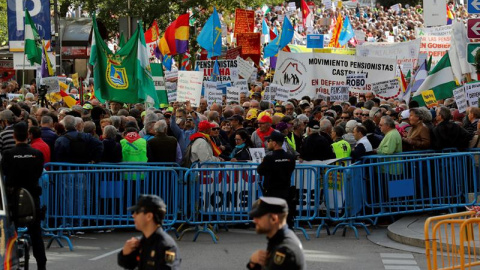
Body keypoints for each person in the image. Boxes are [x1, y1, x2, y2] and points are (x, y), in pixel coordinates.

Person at [2, 122, 47, 270]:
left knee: (9, 231)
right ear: (28, 136)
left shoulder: (8, 155)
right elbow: (39, 173)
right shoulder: (37, 154)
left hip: (12, 198)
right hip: (32, 197)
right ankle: (41, 265)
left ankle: (10, 261)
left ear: (14, 136)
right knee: (36, 234)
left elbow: (5, 174)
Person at [118, 195, 181, 269]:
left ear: (149, 216)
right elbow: (128, 264)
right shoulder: (141, 242)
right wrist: (125, 253)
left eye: (137, 212)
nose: (133, 215)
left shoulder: (167, 246)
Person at [247, 197, 305, 270]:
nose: (254, 221)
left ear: (274, 219)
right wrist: (253, 263)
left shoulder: (285, 249)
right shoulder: (279, 238)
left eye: (259, 217)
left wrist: (252, 263)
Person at [257, 131, 296, 229]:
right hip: (285, 190)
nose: (267, 143)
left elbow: (260, 171)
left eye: (269, 141)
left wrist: (263, 163)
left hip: (272, 191)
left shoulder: (269, 158)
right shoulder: (290, 157)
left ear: (274, 143)